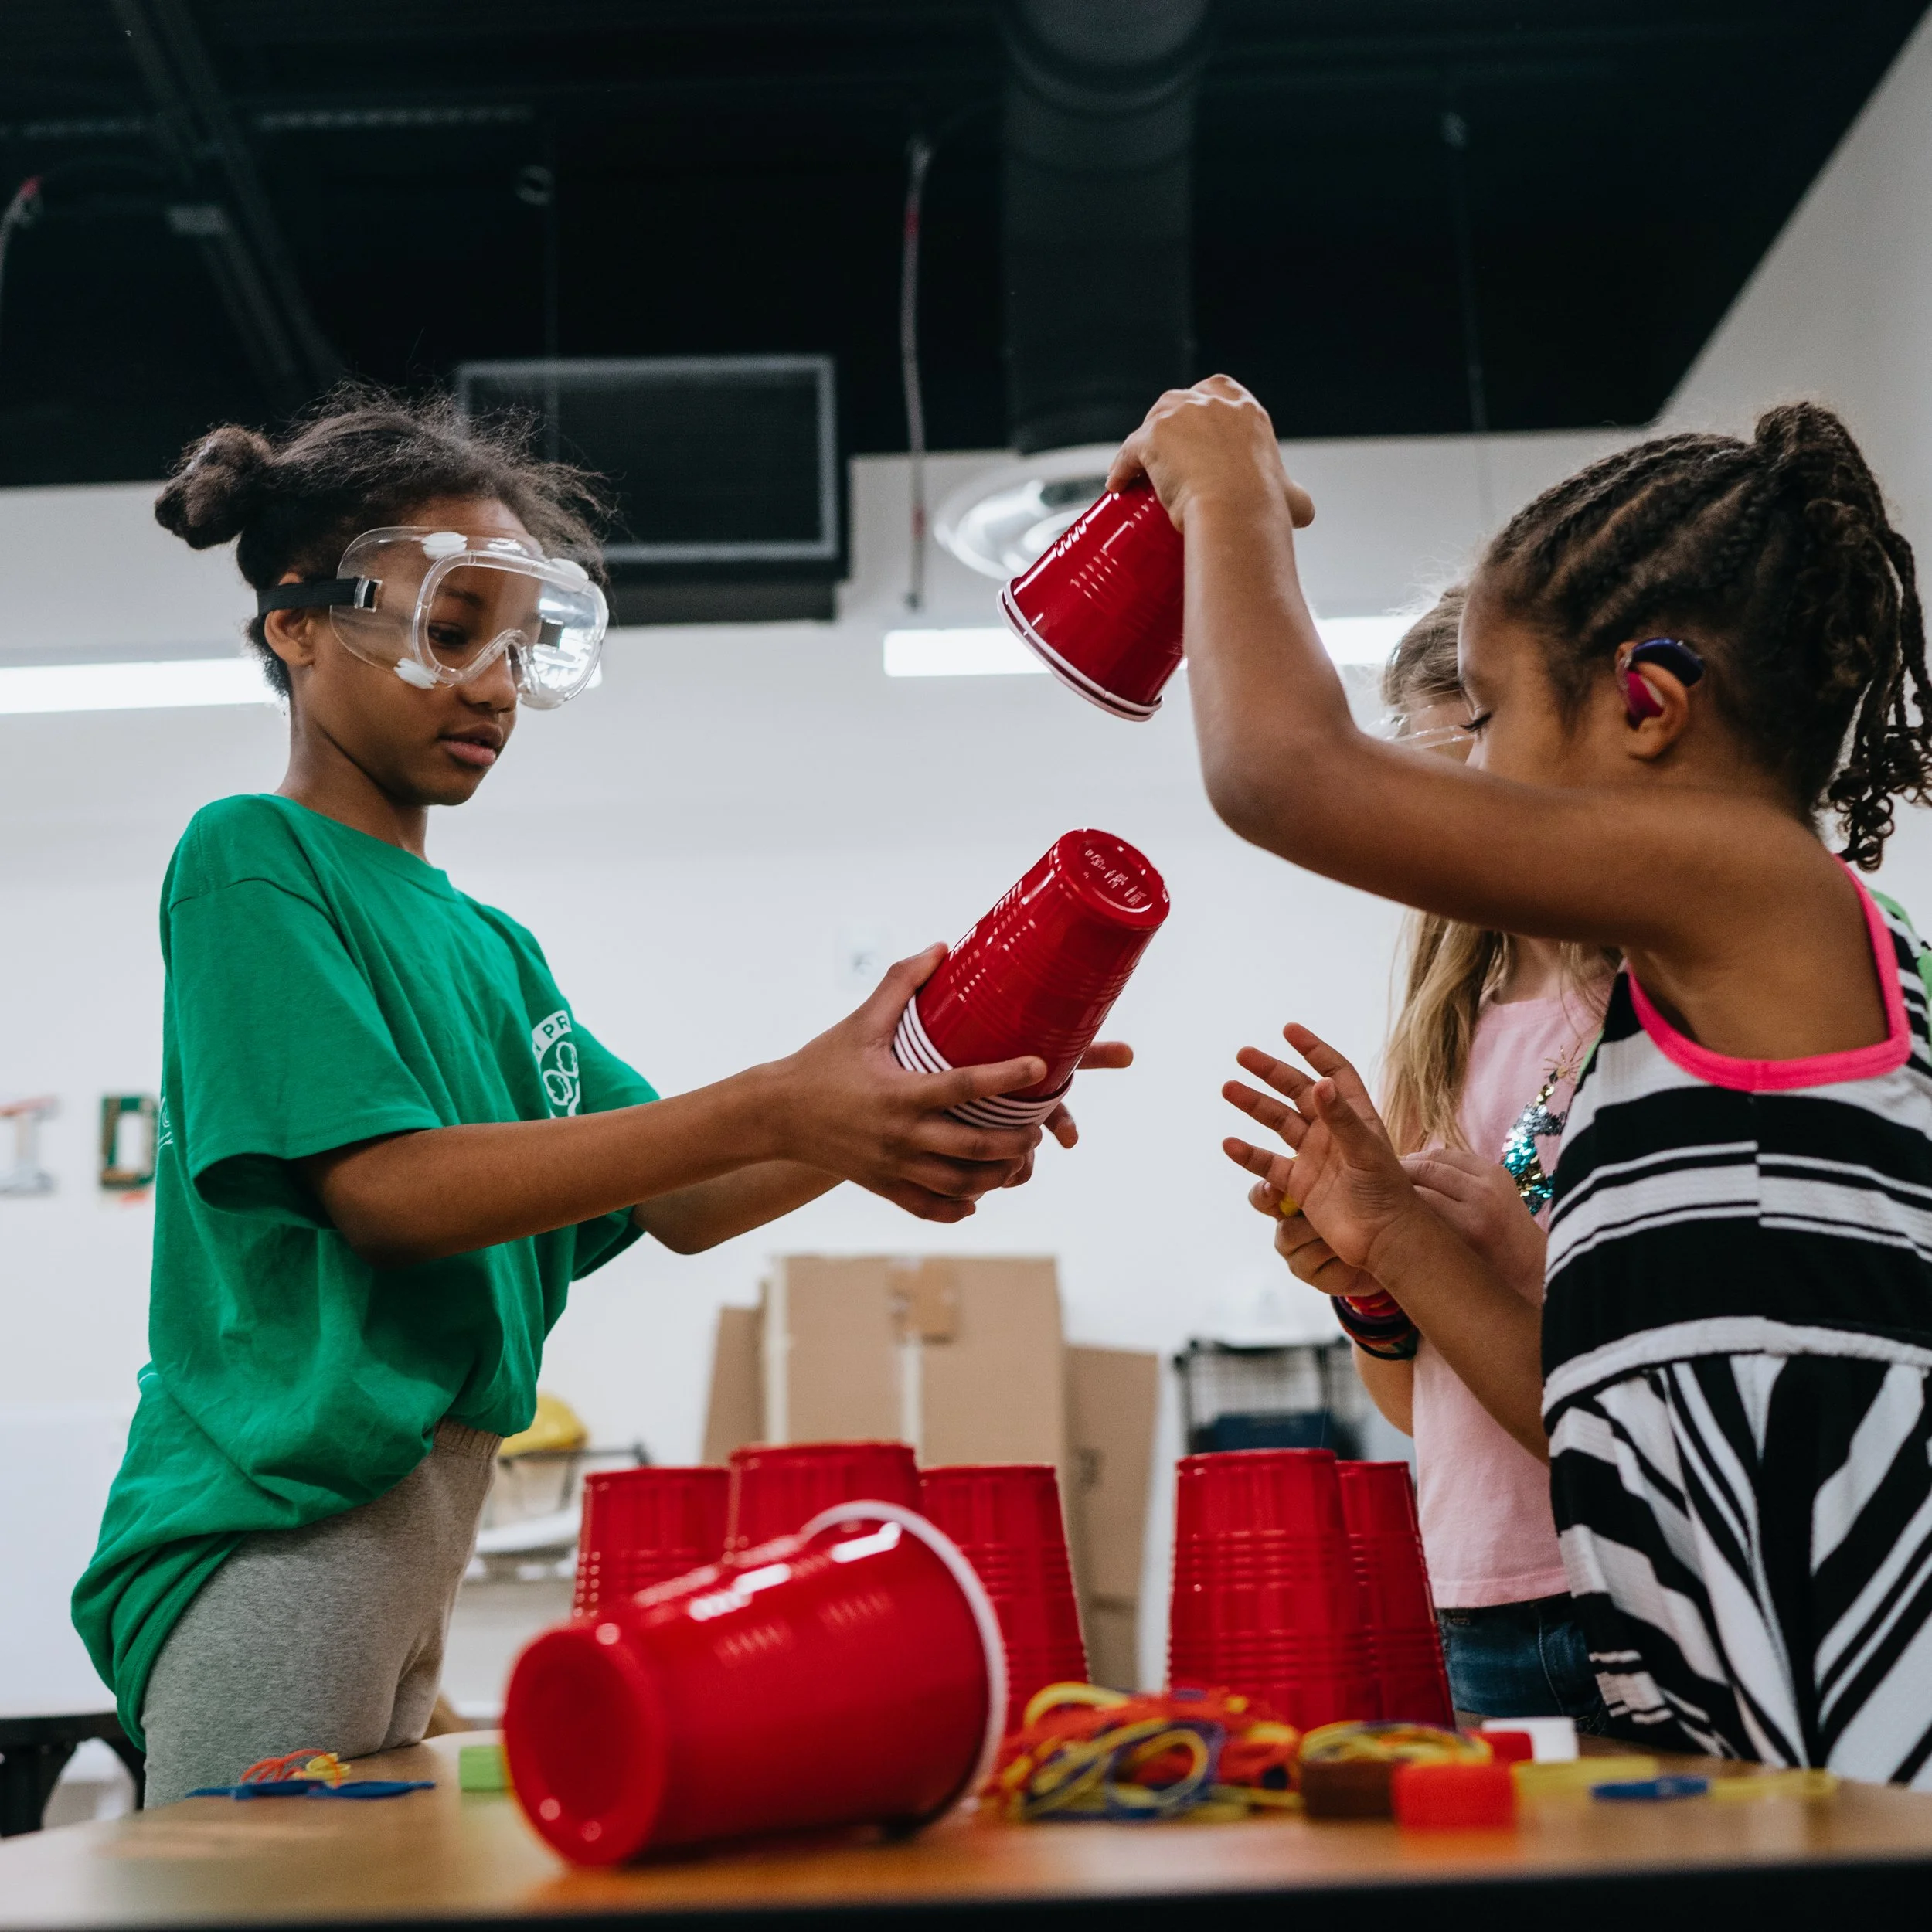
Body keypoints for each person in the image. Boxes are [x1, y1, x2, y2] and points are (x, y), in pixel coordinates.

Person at [75, 389, 1128, 1804]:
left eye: (521, 646)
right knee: (254, 1909)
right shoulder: (251, 859)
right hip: (278, 1530)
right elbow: (385, 1193)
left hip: (416, 1525)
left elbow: (679, 1197)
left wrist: (906, 1090)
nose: (496, 686)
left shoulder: (494, 950)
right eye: (453, 634)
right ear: (297, 623)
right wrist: (782, 1100)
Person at [1116, 377, 1932, 1780]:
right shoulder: (1648, 1058)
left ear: (1648, 707)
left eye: (1484, 718)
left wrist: (1226, 483)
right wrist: (1402, 1245)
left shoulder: (1762, 892)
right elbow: (1581, 1411)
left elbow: (1278, 771)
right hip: (1742, 1738)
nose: (1468, 769)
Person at [1245, 590, 1617, 1725]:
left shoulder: (1652, 1003)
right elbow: (1416, 1402)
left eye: (1461, 767)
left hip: (1631, 1571)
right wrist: (1369, 1292)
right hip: (1483, 1587)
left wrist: (1508, 1253)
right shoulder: (1443, 1029)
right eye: (1412, 782)